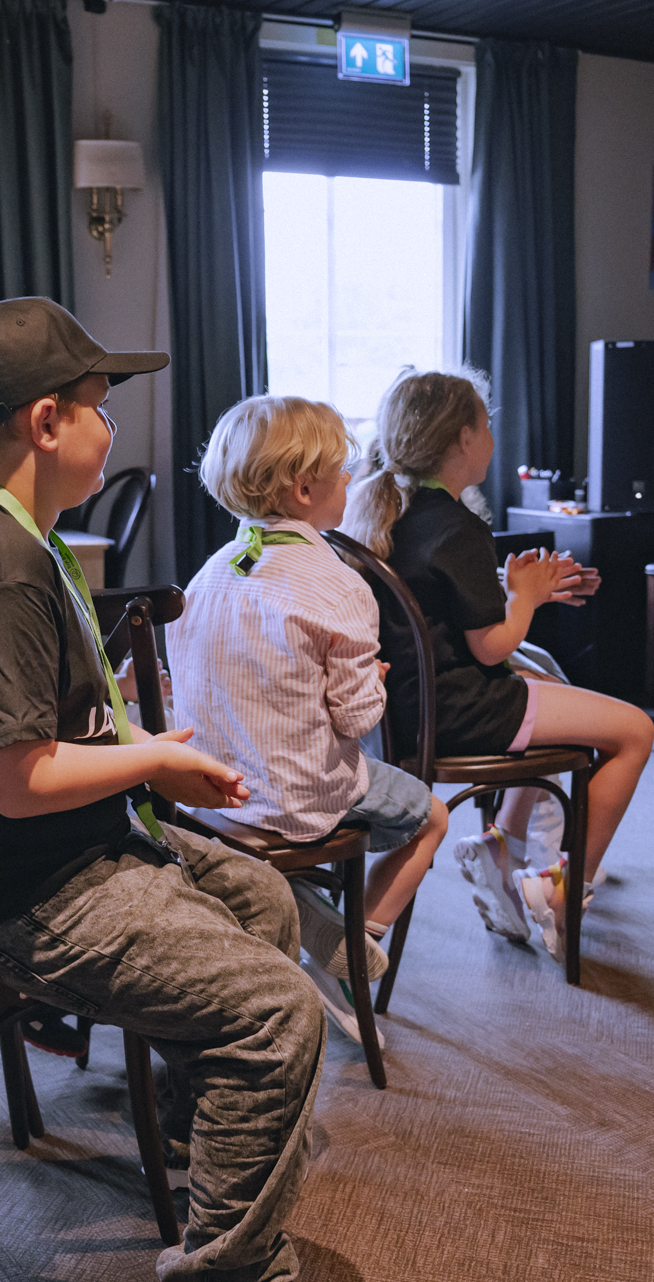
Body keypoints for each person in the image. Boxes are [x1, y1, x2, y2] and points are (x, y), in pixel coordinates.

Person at [0, 298, 367, 1282]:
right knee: (278, 1011)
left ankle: (203, 1150)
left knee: (261, 899)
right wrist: (150, 762)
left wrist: (142, 746)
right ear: (47, 422)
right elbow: (16, 781)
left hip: (65, 842)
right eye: (101, 406)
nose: (112, 427)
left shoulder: (12, 534)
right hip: (18, 887)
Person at [342, 368, 654, 962]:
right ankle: (564, 889)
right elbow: (491, 646)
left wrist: (528, 588)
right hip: (459, 711)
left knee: (545, 683)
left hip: (406, 710)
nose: (490, 438)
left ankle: (502, 843)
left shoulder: (391, 512)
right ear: (463, 438)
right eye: (486, 427)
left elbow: (440, 603)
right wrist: (525, 599)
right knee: (634, 731)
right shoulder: (459, 526)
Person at [173, 394, 449, 1039]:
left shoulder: (208, 575)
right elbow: (356, 719)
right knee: (430, 815)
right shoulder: (338, 583)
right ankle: (352, 944)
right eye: (342, 472)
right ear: (303, 490)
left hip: (209, 794)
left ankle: (298, 903)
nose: (351, 481)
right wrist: (374, 684)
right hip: (295, 797)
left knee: (293, 797)